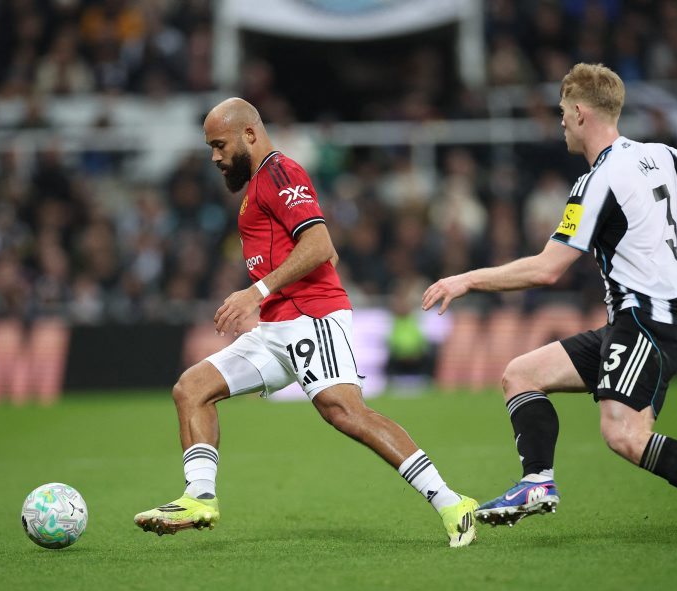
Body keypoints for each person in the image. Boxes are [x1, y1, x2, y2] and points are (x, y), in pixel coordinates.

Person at [421, 64, 677, 548]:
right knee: (521, 374)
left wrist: (465, 279)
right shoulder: (657, 155)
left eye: (563, 112)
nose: (561, 121)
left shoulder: (597, 181)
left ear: (581, 113)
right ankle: (537, 481)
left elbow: (546, 269)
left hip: (648, 320)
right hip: (639, 319)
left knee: (624, 434)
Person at [134, 98, 478, 547]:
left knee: (345, 412)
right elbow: (320, 253)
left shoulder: (280, 173)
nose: (215, 157)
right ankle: (199, 498)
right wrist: (269, 294)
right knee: (192, 389)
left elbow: (319, 245)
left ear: (249, 134)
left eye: (219, 145)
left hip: (310, 316)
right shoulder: (259, 184)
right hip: (275, 325)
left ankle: (452, 503)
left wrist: (255, 292)